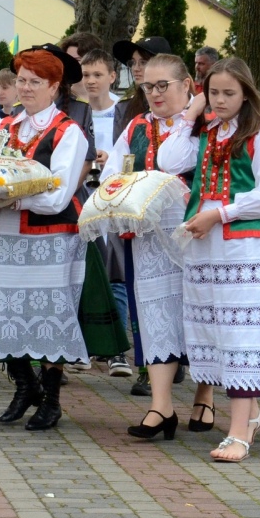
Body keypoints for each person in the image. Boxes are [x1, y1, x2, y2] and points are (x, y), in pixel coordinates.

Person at [159, 57, 260, 461]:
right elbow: (169, 160)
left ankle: (237, 434)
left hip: (247, 247)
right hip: (207, 246)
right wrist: (192, 110)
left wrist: (219, 214)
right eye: (213, 92)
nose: (220, 99)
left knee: (241, 335)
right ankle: (249, 417)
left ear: (246, 93)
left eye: (229, 93)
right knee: (219, 333)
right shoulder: (209, 131)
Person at [0, 46, 89, 431]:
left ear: (54, 87)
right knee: (2, 308)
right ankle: (25, 386)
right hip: (3, 232)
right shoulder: (4, 127)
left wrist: (12, 198)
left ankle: (51, 400)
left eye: (35, 82)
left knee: (51, 314)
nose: (25, 88)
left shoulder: (68, 132)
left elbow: (58, 195)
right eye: (21, 80)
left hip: (49, 236)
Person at [101, 53, 214, 442]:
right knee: (155, 315)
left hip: (196, 232)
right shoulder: (137, 126)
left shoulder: (206, 124)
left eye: (162, 85)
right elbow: (112, 174)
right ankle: (161, 406)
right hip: (149, 236)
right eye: (147, 86)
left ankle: (204, 394)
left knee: (200, 312)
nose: (154, 93)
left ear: (187, 85)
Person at [111, 35, 176, 396]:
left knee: (181, 298)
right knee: (143, 296)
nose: (137, 69)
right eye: (134, 63)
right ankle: (149, 367)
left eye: (144, 61)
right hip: (141, 221)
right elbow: (120, 163)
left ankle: (181, 363)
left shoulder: (192, 118)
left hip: (180, 222)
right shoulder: (133, 116)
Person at [79, 48, 133, 378]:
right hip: (84, 196)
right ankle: (83, 346)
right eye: (86, 75)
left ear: (112, 77)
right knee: (85, 271)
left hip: (115, 199)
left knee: (116, 274)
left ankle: (116, 350)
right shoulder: (76, 111)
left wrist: (109, 159)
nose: (91, 81)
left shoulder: (123, 112)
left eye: (98, 75)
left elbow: (132, 153)